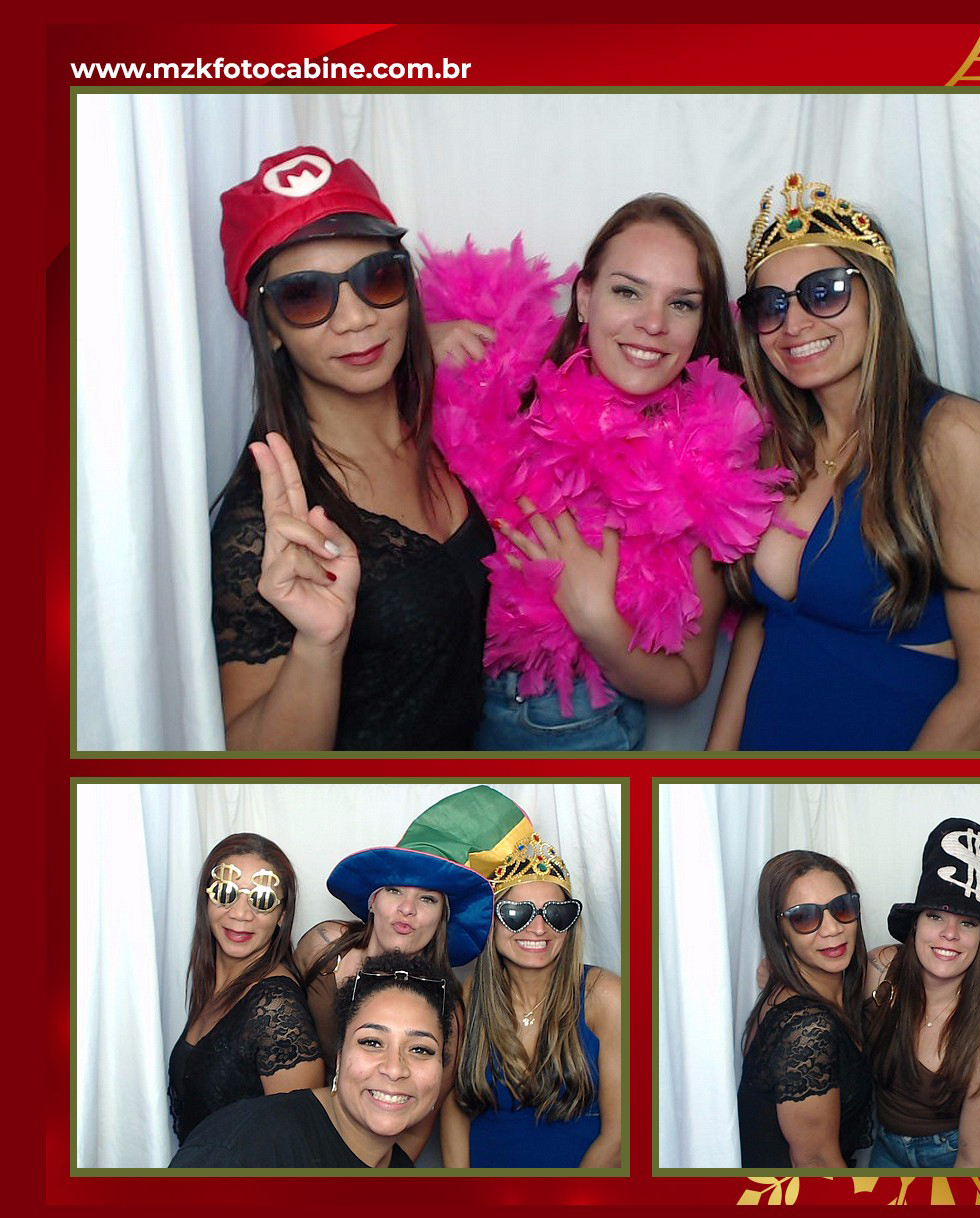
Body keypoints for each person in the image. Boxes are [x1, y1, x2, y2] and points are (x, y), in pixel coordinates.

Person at [421, 196, 785, 749]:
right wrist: (414, 353)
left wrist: (598, 622)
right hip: (429, 703)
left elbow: (687, 679)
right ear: (585, 297)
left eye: (681, 303)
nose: (654, 323)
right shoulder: (506, 375)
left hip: (562, 727)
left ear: (701, 323)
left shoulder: (705, 462)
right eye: (628, 291)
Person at [708, 172, 980, 751]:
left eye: (825, 291)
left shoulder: (957, 438)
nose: (795, 324)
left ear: (875, 295)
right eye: (770, 305)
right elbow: (765, 623)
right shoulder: (778, 449)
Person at [210, 145, 493, 750]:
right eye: (306, 296)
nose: (356, 318)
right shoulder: (267, 524)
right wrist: (320, 644)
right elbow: (249, 758)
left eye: (378, 278)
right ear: (271, 329)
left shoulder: (454, 427)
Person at [295, 785, 510, 1159]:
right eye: (394, 891)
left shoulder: (446, 1011)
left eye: (426, 898)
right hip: (289, 1130)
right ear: (373, 900)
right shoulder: (323, 947)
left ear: (442, 917)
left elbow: (416, 1129)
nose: (407, 909)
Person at [172, 951, 453, 1168]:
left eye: (420, 1050)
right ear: (340, 1055)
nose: (394, 1068)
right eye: (371, 1042)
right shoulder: (245, 1148)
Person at [441, 831, 622, 1166]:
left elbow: (620, 1136)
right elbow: (455, 1108)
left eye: (556, 914)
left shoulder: (606, 997)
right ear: (492, 922)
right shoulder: (469, 996)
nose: (539, 928)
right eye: (516, 913)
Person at [865, 819, 980, 1168]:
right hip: (887, 1148)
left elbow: (973, 1158)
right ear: (915, 924)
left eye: (967, 922)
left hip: (961, 1154)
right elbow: (820, 982)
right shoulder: (881, 970)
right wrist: (783, 968)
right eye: (936, 916)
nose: (950, 933)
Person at [168, 833, 324, 1144]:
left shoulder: (277, 1008)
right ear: (206, 901)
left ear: (281, 915)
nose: (240, 914)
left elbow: (297, 1144)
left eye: (262, 900)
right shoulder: (214, 983)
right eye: (226, 893)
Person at [738, 850, 873, 1167]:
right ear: (780, 933)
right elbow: (816, 1163)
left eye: (842, 907)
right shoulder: (808, 1027)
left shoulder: (810, 990)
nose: (832, 929)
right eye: (804, 917)